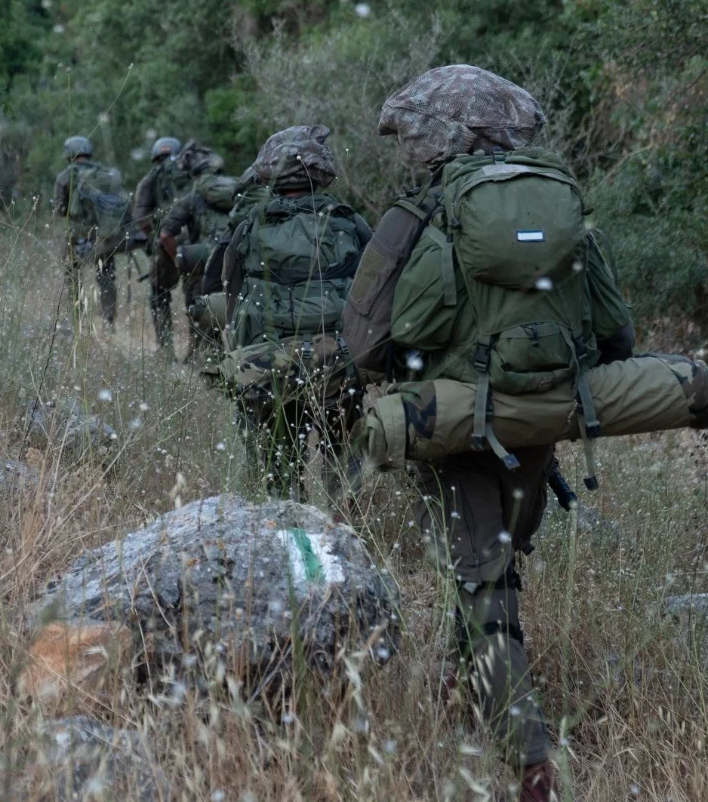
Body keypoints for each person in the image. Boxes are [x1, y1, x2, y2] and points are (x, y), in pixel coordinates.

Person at [342, 65, 636, 802]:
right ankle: (464, 686)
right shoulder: (564, 207)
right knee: (492, 569)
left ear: (430, 135)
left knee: (482, 583)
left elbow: (367, 343)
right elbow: (616, 334)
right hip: (538, 425)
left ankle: (530, 760)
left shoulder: (419, 215)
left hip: (452, 425)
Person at [219, 125, 370, 499]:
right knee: (343, 461)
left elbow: (231, 293)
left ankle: (287, 527)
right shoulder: (350, 223)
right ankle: (344, 528)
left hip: (268, 365)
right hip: (337, 363)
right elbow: (374, 294)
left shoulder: (250, 225)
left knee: (277, 468)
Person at [156, 141, 236, 364]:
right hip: (239, 263)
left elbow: (165, 235)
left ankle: (206, 360)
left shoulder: (192, 198)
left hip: (204, 265)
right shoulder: (239, 191)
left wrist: (177, 260)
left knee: (201, 313)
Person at [54, 136, 129, 328]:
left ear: (69, 153)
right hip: (105, 237)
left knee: (72, 277)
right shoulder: (105, 174)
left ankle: (76, 320)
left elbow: (60, 209)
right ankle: (108, 321)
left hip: (77, 236)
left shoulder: (65, 176)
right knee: (106, 278)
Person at [129, 136, 191, 353]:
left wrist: (154, 237)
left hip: (166, 240)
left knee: (159, 294)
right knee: (196, 294)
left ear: (155, 157)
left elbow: (139, 216)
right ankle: (200, 349)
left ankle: (166, 351)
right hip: (195, 242)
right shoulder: (191, 173)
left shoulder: (150, 179)